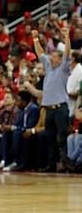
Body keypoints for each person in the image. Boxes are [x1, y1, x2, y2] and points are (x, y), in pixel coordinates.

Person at [32, 26, 71, 172]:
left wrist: (66, 37)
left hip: (60, 107)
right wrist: (35, 39)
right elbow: (40, 53)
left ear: (60, 60)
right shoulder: (49, 67)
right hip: (49, 108)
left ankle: (66, 164)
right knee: (50, 138)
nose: (50, 57)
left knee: (62, 137)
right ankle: (51, 164)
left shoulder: (63, 68)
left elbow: (67, 52)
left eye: (54, 56)